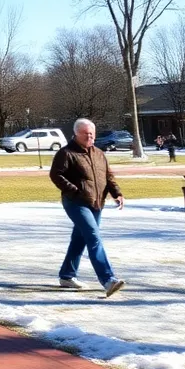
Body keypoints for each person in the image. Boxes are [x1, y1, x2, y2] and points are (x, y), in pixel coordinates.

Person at [49, 118, 126, 297]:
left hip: (97, 203)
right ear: (76, 134)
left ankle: (67, 275)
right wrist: (75, 191)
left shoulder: (99, 153)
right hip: (75, 202)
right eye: (86, 133)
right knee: (93, 236)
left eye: (92, 133)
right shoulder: (66, 153)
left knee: (80, 239)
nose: (90, 136)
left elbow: (108, 176)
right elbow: (56, 175)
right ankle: (108, 280)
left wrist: (117, 193)